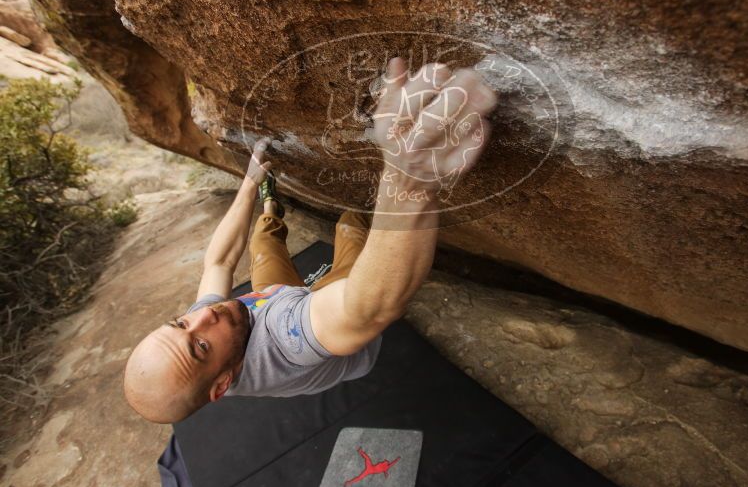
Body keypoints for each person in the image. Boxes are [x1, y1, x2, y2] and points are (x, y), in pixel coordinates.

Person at [123, 57, 497, 423]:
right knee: (349, 231)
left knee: (262, 241)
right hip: (307, 313)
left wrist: (250, 183)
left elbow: (219, 262)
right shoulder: (285, 343)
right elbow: (366, 308)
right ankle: (360, 212)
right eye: (200, 346)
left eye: (180, 323)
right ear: (222, 384)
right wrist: (406, 180)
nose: (204, 315)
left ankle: (272, 204)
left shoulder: (210, 326)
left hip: (273, 298)